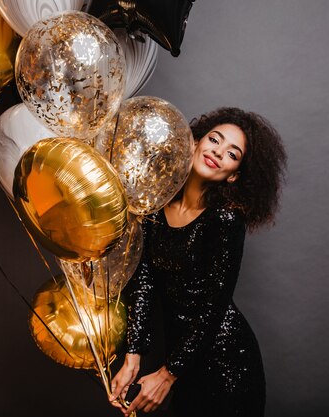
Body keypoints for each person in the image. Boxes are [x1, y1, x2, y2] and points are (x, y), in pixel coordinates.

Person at [109, 107, 287, 417]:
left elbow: (213, 306)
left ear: (233, 175)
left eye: (232, 154)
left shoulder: (226, 219)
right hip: (182, 361)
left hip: (227, 361)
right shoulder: (156, 203)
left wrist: (167, 375)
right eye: (214, 140)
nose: (218, 152)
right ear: (193, 143)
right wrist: (133, 356)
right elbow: (145, 279)